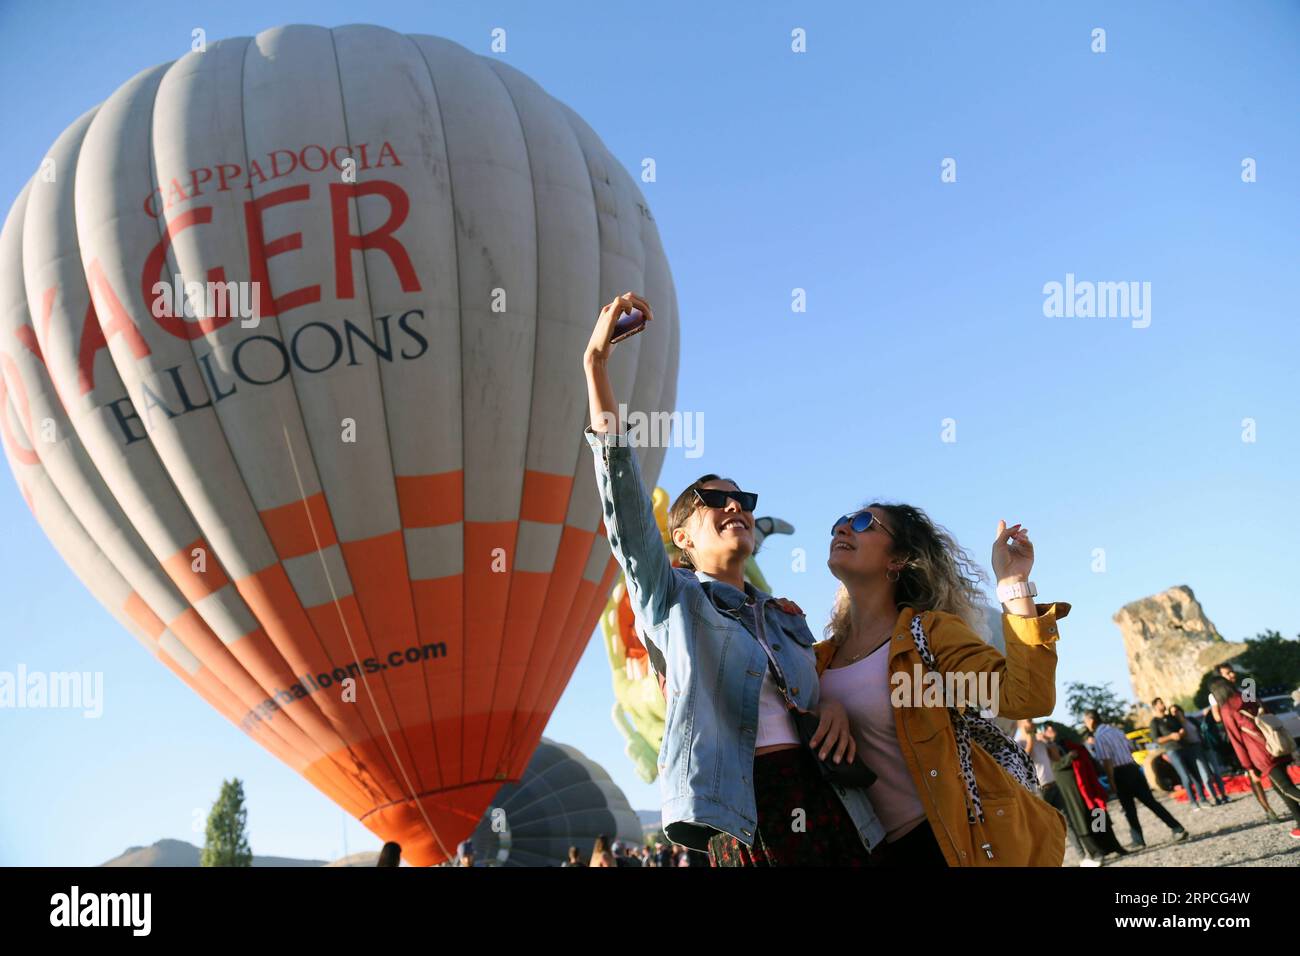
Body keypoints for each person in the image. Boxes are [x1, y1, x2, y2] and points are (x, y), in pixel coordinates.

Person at [584, 293, 884, 866]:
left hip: (828, 794)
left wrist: (833, 708)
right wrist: (596, 368)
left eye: (742, 498)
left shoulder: (783, 616)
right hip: (743, 808)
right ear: (683, 538)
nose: (735, 506)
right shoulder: (671, 600)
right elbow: (623, 503)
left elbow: (831, 686)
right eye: (714, 499)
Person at [814, 502, 1068, 867]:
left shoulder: (929, 635)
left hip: (949, 840)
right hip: (869, 849)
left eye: (863, 522)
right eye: (840, 522)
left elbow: (1026, 697)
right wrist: (826, 706)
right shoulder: (817, 660)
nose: (842, 529)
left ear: (897, 559)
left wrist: (1014, 586)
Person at [1084, 710, 1189, 850]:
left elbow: (1107, 762)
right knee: (1151, 802)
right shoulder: (1116, 731)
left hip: (1119, 773)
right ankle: (1177, 827)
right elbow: (1132, 747)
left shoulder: (1100, 738)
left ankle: (1138, 840)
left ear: (1091, 721)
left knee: (1129, 809)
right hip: (1133, 768)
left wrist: (1112, 782)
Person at [1210, 679, 1300, 838]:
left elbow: (1237, 741)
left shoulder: (1227, 709)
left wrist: (1249, 767)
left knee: (1285, 787)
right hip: (1276, 743)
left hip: (1262, 753)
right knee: (1281, 788)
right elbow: (1268, 712)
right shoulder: (1247, 695)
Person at [1209, 663, 1281, 821]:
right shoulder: (1215, 695)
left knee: (1270, 769)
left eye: (1232, 672)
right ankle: (1268, 809)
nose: (1232, 675)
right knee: (1252, 774)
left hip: (1254, 736)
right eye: (1227, 673)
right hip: (1236, 736)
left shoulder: (1242, 690)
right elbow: (1217, 718)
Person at [1149, 698, 1208, 810]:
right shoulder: (1155, 722)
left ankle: (1203, 799)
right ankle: (1193, 802)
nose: (1163, 704)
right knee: (1185, 776)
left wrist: (1181, 733)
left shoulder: (1171, 718)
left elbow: (1182, 728)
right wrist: (1170, 737)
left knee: (1195, 774)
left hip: (1185, 746)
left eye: (1163, 702)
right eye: (1160, 703)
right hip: (1172, 750)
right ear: (1155, 707)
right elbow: (1156, 739)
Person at [1171, 704, 1229, 805]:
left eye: (1177, 710)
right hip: (1193, 750)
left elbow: (1201, 729)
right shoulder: (1176, 726)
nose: (1176, 713)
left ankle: (1223, 794)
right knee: (1205, 774)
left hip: (1204, 745)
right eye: (1173, 712)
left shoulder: (1190, 719)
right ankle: (1214, 797)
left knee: (1216, 771)